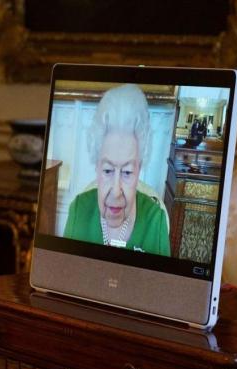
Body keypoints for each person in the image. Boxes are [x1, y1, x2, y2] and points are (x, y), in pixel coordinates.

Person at [63, 84, 170, 256]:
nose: (116, 192)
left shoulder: (155, 221)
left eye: (127, 172)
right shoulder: (78, 211)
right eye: (107, 170)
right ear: (97, 166)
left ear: (139, 169)